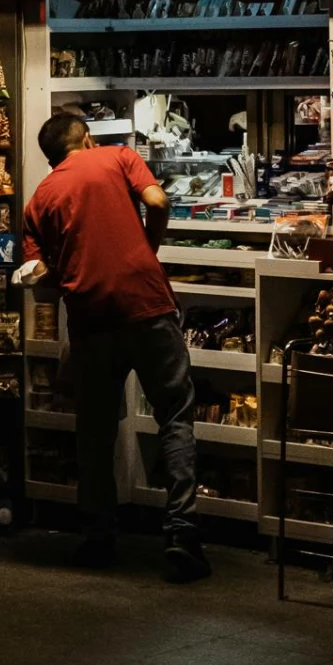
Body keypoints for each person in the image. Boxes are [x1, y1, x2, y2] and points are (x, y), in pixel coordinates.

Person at [19, 112, 209, 582]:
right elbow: (158, 198)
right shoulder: (118, 156)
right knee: (174, 415)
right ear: (85, 138)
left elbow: (36, 271)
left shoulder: (40, 198)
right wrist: (149, 247)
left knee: (95, 431)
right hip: (146, 306)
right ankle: (182, 534)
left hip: (91, 318)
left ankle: (98, 536)